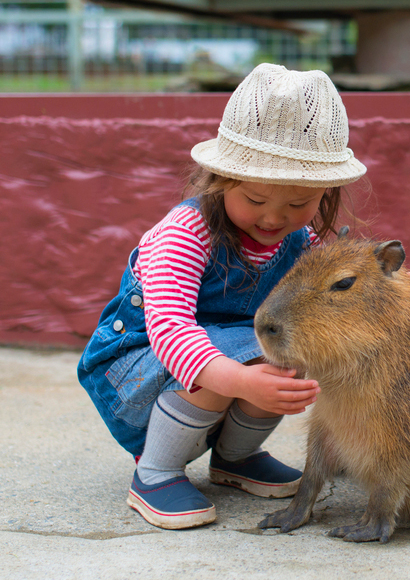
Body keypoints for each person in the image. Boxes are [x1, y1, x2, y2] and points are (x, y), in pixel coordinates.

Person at [77, 63, 367, 530]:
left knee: (287, 352)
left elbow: (334, 286)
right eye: (255, 200)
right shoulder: (186, 233)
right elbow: (171, 330)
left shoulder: (300, 241)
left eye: (297, 204)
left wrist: (398, 292)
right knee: (230, 364)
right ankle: (155, 472)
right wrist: (240, 381)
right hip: (137, 369)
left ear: (325, 191)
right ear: (219, 179)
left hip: (213, 365)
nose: (273, 218)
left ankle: (235, 460)